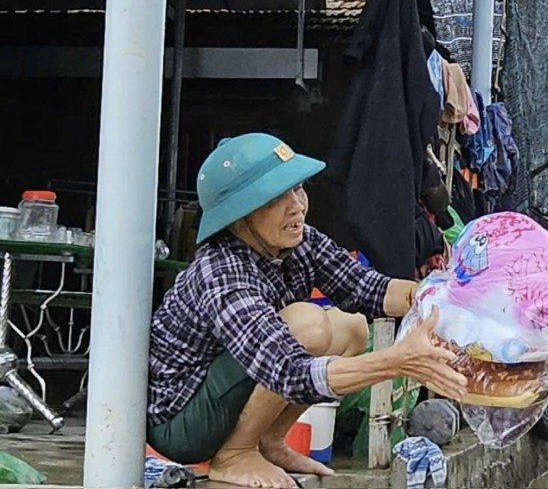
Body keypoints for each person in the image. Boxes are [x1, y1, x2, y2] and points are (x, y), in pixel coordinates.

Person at [147, 133, 467, 489]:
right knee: (308, 325)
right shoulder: (222, 272)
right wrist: (395, 361)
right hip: (182, 421)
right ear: (238, 217)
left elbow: (368, 289)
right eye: (276, 197)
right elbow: (289, 372)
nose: (296, 205)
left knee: (352, 328)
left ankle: (269, 440)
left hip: (237, 388)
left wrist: (440, 295)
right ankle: (234, 454)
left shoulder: (299, 241)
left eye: (298, 189)